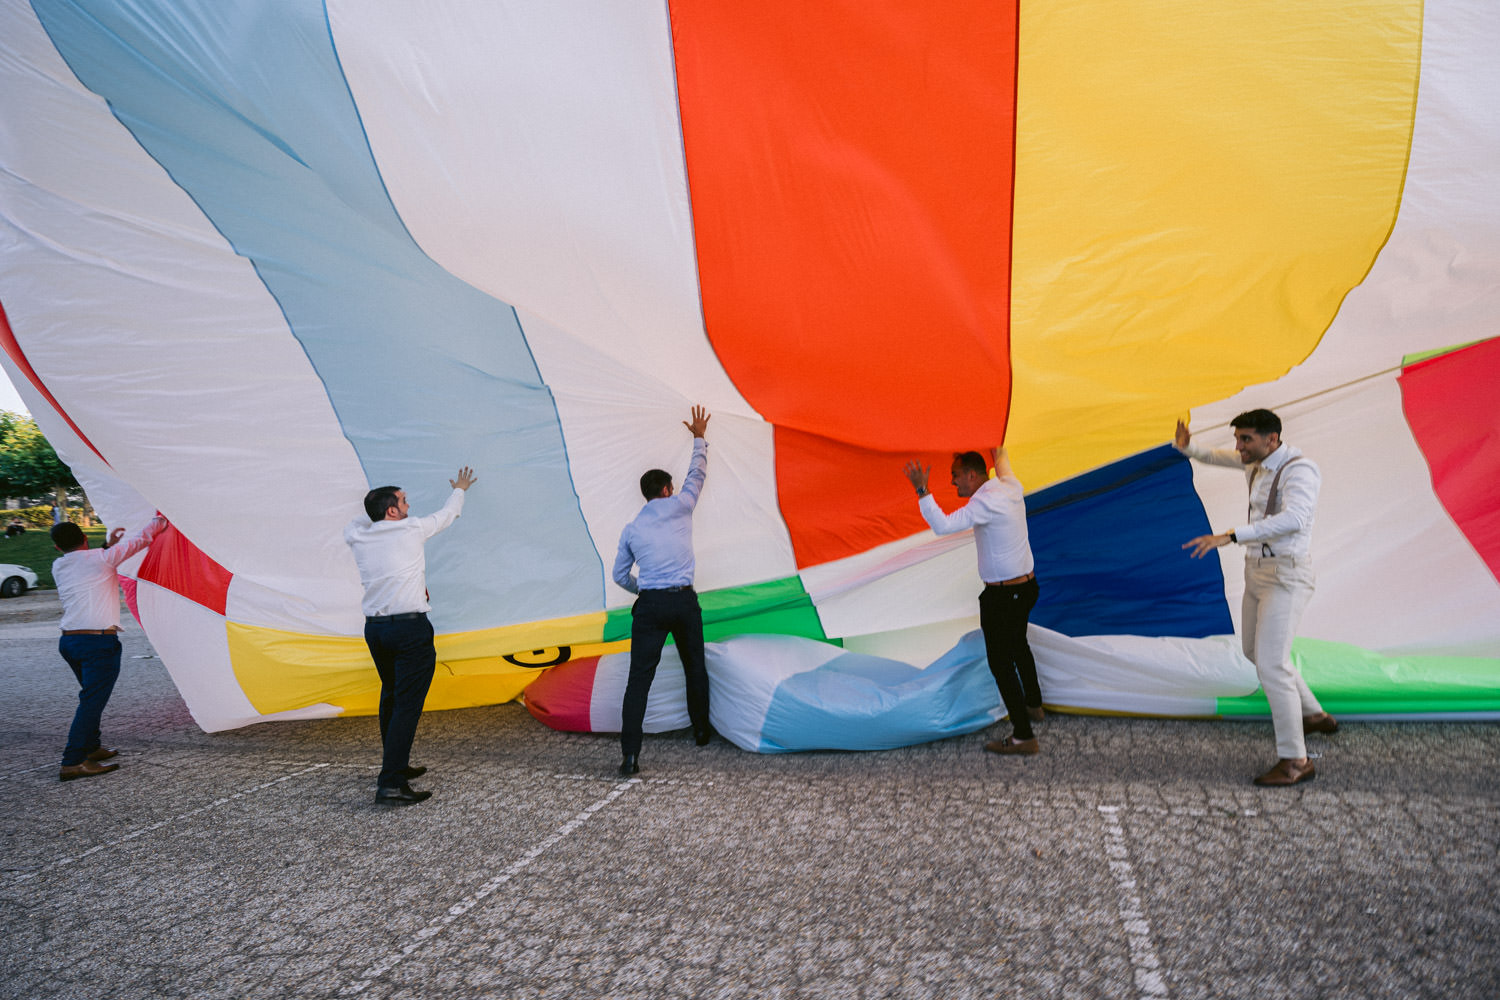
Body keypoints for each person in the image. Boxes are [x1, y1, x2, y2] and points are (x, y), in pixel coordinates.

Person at [1176, 409, 1337, 787]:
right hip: (1258, 573)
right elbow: (1219, 457)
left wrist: (1230, 535)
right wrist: (1189, 448)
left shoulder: (1300, 469)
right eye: (1238, 439)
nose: (1238, 447)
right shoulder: (1257, 462)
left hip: (1286, 575)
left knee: (1271, 664)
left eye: (1246, 439)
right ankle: (1313, 716)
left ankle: (1296, 761)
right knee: (1253, 651)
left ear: (1272, 439)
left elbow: (1295, 518)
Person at [344, 467, 476, 806]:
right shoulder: (411, 529)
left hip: (376, 629)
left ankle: (396, 764)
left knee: (390, 695)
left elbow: (361, 522)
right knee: (406, 705)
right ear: (392, 511)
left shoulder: (358, 534)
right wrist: (460, 488)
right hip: (409, 629)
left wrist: (375, 508)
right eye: (403, 501)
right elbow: (449, 514)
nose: (408, 505)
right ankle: (390, 783)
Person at [903, 447, 1043, 755]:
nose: (953, 483)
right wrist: (997, 444)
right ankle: (1034, 706)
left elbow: (942, 525)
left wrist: (922, 489)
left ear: (972, 475)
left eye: (954, 476)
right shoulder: (1010, 486)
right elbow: (1003, 460)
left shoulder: (985, 501)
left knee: (1001, 662)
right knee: (1019, 644)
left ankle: (1024, 736)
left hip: (1004, 595)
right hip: (1027, 587)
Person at [612, 405, 713, 777]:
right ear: (667, 490)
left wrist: (644, 589)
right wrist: (699, 436)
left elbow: (619, 575)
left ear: (646, 495)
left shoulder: (631, 529)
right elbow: (697, 474)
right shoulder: (681, 506)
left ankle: (630, 755)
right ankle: (701, 732)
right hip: (683, 599)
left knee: (639, 678)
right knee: (694, 666)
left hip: (651, 603)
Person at [51, 514, 168, 781]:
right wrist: (159, 521)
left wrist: (106, 546)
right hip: (97, 642)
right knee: (91, 702)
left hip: (69, 641)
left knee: (90, 697)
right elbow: (141, 540)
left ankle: (91, 748)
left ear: (57, 547)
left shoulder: (59, 566)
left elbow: (86, 563)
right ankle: (73, 761)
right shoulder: (102, 559)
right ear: (84, 538)